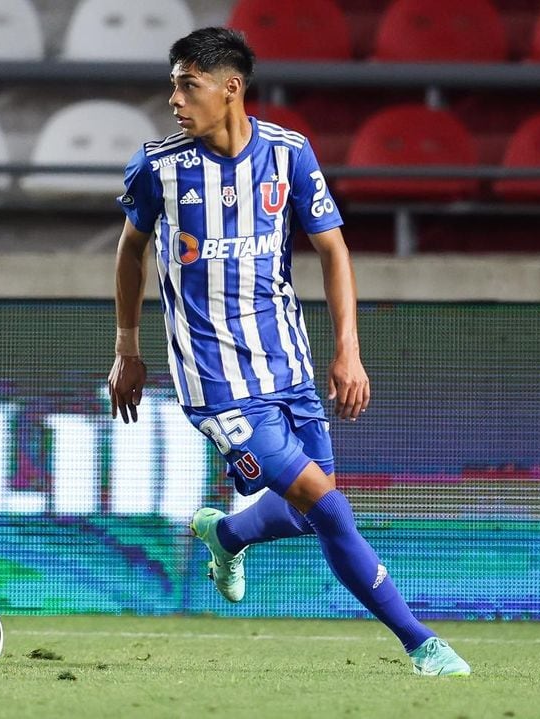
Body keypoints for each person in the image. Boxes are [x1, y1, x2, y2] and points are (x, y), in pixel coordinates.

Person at [107, 26, 470, 677]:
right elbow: (131, 248)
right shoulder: (158, 166)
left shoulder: (289, 155)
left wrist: (348, 350)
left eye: (188, 85)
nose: (175, 100)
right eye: (173, 85)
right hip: (215, 382)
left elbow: (334, 249)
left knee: (310, 515)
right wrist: (127, 345)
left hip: (288, 365)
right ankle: (423, 643)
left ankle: (228, 533)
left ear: (231, 89)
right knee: (328, 505)